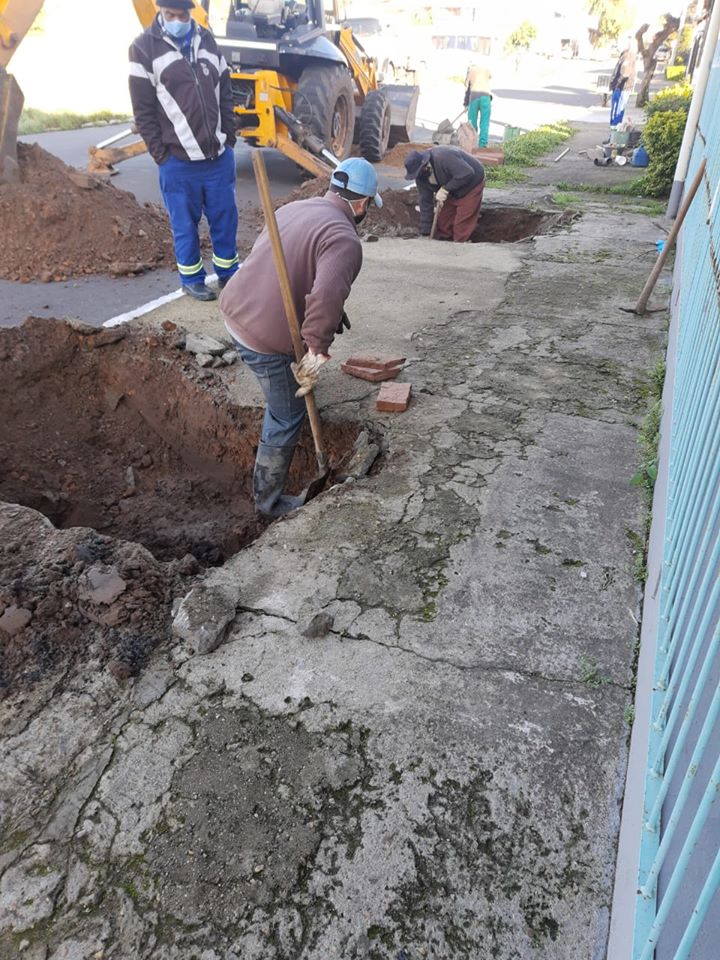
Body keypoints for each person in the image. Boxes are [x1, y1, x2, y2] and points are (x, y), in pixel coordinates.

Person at [219, 157, 382, 519]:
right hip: (262, 339)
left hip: (234, 308)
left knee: (297, 376)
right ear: (361, 204)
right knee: (286, 412)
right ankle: (267, 503)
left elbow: (289, 263)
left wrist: (327, 317)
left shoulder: (297, 208)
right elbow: (323, 300)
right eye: (369, 205)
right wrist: (315, 351)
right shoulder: (344, 239)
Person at [129, 0, 239, 302]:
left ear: (191, 12)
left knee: (225, 219)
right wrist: (161, 156)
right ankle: (192, 279)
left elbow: (225, 91)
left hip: (217, 158)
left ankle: (229, 273)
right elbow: (144, 112)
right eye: (170, 15)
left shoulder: (207, 40)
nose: (178, 20)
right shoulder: (143, 49)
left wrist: (229, 139)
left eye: (183, 15)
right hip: (178, 162)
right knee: (184, 225)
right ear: (160, 12)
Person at [404, 146, 485, 243]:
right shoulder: (421, 178)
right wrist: (425, 232)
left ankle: (459, 246)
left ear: (425, 166)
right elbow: (425, 202)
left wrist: (446, 189)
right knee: (443, 222)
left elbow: (467, 173)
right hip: (452, 185)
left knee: (461, 224)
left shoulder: (443, 157)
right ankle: (444, 242)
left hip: (471, 183)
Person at [609, 37, 637, 128]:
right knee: (616, 111)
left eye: (619, 44)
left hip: (622, 88)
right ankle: (613, 134)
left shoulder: (627, 56)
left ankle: (614, 135)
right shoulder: (625, 55)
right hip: (621, 87)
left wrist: (616, 84)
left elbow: (625, 73)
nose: (618, 46)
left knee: (617, 112)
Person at [464, 60, 493, 148]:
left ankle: (472, 144)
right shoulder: (486, 70)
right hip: (486, 97)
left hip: (474, 97)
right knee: (485, 122)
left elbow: (467, 87)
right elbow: (489, 79)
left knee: (472, 123)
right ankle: (482, 145)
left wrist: (465, 104)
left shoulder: (471, 71)